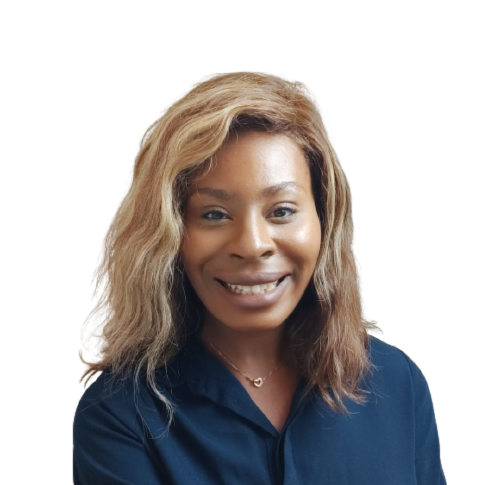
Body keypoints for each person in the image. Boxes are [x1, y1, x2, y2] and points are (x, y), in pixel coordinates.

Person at [72, 71, 446, 484]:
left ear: (323, 219)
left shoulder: (398, 382)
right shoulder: (118, 417)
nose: (252, 245)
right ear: (170, 235)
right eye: (213, 214)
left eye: (282, 210)